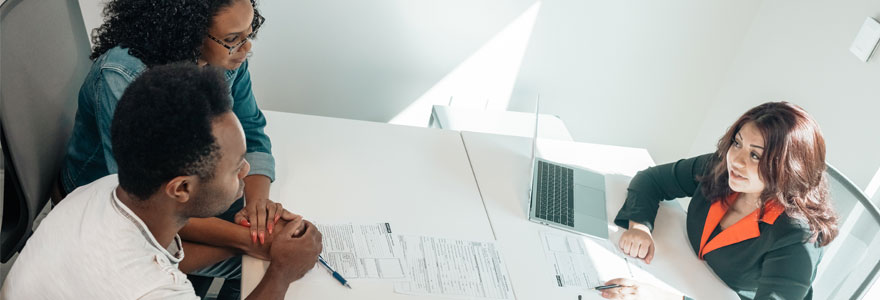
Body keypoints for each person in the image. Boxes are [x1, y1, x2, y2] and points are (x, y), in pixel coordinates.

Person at [1, 64, 322, 299]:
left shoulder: (109, 188)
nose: (246, 170)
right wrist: (282, 272)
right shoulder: (153, 291)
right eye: (235, 166)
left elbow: (169, 257)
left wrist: (243, 242)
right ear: (181, 188)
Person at [61, 0, 279, 294]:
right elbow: (146, 202)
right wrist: (252, 239)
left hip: (184, 187)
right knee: (259, 265)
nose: (245, 48)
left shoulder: (228, 58)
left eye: (249, 34)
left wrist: (257, 208)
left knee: (265, 252)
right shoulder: (124, 76)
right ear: (187, 31)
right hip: (115, 204)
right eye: (232, 40)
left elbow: (251, 130)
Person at [605, 102, 838, 300]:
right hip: (680, 273)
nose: (736, 160)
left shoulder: (798, 238)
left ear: (787, 169)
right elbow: (652, 179)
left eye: (755, 155)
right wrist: (640, 226)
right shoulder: (722, 169)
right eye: (737, 143)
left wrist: (664, 297)